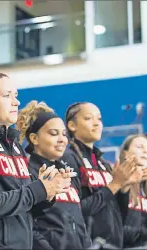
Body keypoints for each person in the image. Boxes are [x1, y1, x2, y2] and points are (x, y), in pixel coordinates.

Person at [0, 73, 73, 249]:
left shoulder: (15, 147)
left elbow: (25, 209)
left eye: (15, 96)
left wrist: (46, 193)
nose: (16, 102)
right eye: (6, 95)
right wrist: (36, 190)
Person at [64, 102, 147, 248]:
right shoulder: (68, 158)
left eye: (99, 119)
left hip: (112, 245)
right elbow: (75, 211)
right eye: (88, 118)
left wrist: (124, 187)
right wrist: (115, 185)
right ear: (72, 125)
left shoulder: (103, 164)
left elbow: (119, 216)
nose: (96, 123)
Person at [16, 100, 92, 249]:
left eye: (64, 134)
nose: (62, 139)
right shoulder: (27, 171)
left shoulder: (67, 172)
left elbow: (78, 220)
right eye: (53, 133)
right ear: (34, 138)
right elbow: (28, 223)